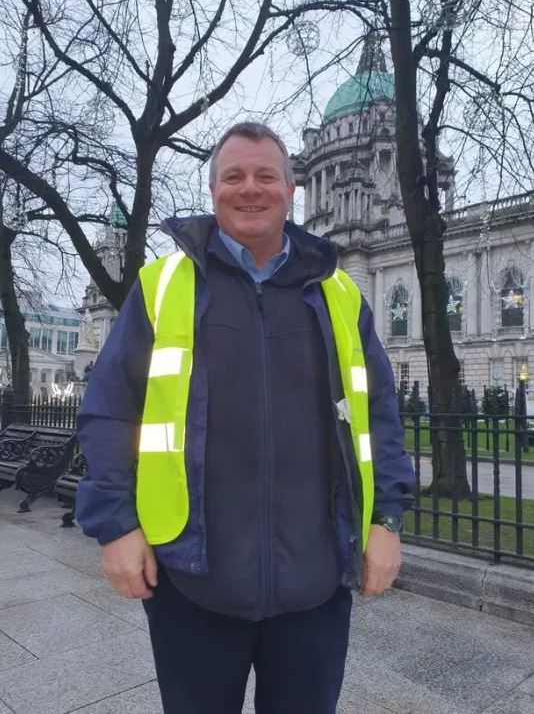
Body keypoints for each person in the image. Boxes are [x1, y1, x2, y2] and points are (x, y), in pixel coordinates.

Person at [75, 121, 414, 714]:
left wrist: (387, 519)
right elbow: (108, 410)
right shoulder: (162, 287)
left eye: (265, 176)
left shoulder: (339, 294)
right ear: (213, 191)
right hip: (191, 579)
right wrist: (115, 527)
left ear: (292, 187)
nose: (249, 189)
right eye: (233, 176)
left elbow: (378, 413)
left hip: (314, 586)